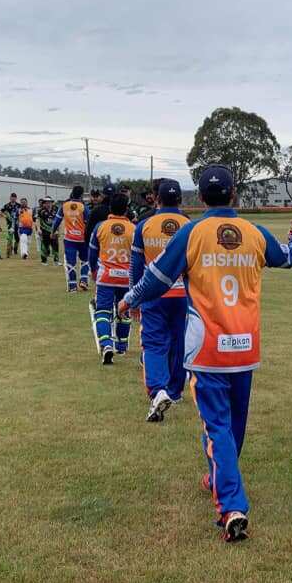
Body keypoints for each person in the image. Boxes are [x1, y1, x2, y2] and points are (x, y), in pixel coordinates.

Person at [120, 165, 292, 542]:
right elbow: (287, 257)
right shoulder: (254, 233)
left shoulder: (193, 233)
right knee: (233, 424)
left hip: (208, 349)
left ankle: (232, 506)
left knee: (217, 426)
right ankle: (220, 477)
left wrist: (129, 299)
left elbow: (156, 279)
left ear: (201, 198)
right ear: (235, 194)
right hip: (245, 345)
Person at [130, 178, 189, 422]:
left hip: (153, 294)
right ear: (181, 200)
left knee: (154, 343)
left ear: (157, 198)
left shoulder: (144, 226)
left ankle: (158, 390)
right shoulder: (190, 225)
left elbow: (135, 266)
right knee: (179, 342)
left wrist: (133, 297)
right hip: (183, 295)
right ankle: (174, 391)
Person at [89, 192, 135, 364]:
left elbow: (92, 253)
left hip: (106, 277)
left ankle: (106, 343)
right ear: (127, 209)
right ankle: (121, 347)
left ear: (110, 208)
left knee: (102, 311)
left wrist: (93, 272)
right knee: (124, 310)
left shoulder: (100, 227)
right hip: (126, 278)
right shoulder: (134, 229)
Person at [56, 186, 90, 291]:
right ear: (81, 195)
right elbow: (89, 221)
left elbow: (57, 220)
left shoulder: (64, 205)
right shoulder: (84, 207)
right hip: (82, 238)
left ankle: (72, 287)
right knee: (85, 260)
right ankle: (84, 279)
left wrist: (53, 231)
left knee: (71, 263)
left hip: (70, 239)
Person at [35, 196, 59, 265]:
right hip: (44, 231)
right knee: (45, 246)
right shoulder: (41, 211)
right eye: (46, 203)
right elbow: (37, 220)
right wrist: (39, 229)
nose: (48, 204)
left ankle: (56, 261)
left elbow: (58, 221)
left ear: (52, 203)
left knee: (55, 246)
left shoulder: (55, 210)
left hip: (54, 231)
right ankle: (44, 261)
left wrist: (57, 230)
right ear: (44, 204)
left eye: (49, 202)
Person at [1, 192, 20, 257]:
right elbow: (2, 211)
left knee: (17, 238)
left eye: (14, 198)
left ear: (16, 198)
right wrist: (5, 216)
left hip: (17, 224)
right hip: (10, 224)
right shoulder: (6, 205)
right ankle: (8, 252)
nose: (13, 199)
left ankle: (15, 249)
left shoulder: (19, 205)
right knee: (10, 238)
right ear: (10, 198)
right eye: (12, 197)